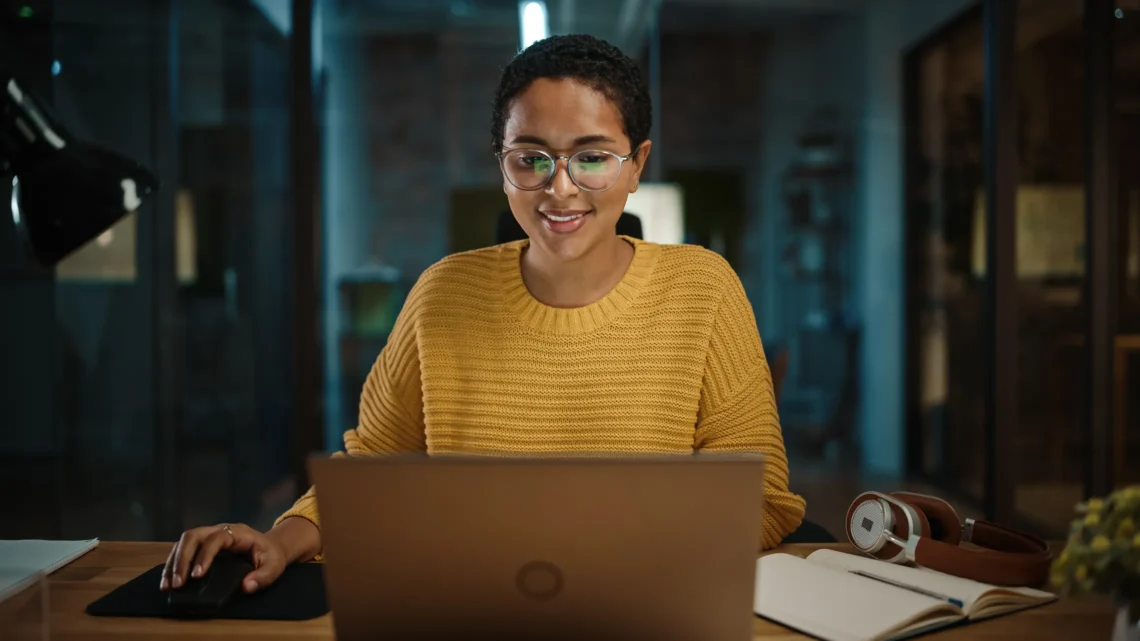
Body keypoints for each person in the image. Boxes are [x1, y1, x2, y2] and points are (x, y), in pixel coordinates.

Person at [160, 33, 806, 596]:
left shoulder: (704, 288)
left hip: (651, 603)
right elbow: (372, 474)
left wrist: (634, 560)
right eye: (530, 158)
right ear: (501, 164)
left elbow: (762, 497)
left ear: (636, 164)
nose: (559, 187)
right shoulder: (442, 293)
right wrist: (284, 537)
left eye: (591, 157)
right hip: (473, 606)